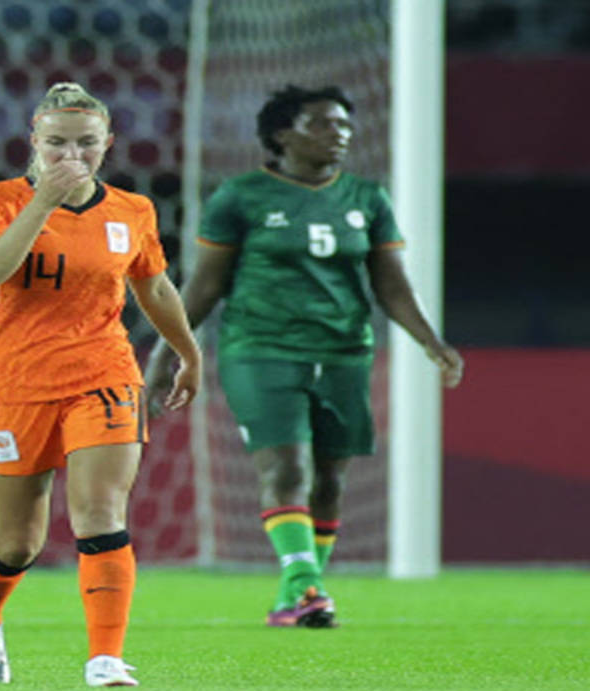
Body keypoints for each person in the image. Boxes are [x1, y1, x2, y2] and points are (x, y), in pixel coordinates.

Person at [143, 85, 464, 629]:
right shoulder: (240, 197)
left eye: (343, 124)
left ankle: (295, 596)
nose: (339, 134)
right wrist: (162, 355)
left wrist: (431, 341)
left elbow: (391, 285)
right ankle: (309, 587)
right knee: (287, 467)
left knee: (330, 481)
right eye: (322, 124)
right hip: (260, 349)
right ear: (281, 135)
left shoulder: (368, 199)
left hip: (344, 351)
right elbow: (202, 286)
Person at [0, 82, 202, 687]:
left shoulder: (132, 210)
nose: (72, 155)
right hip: (12, 384)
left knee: (99, 510)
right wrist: (42, 204)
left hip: (103, 374)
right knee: (16, 543)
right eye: (57, 143)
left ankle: (105, 657)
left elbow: (156, 287)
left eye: (87, 143)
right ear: (34, 142)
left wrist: (187, 352)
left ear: (109, 143)